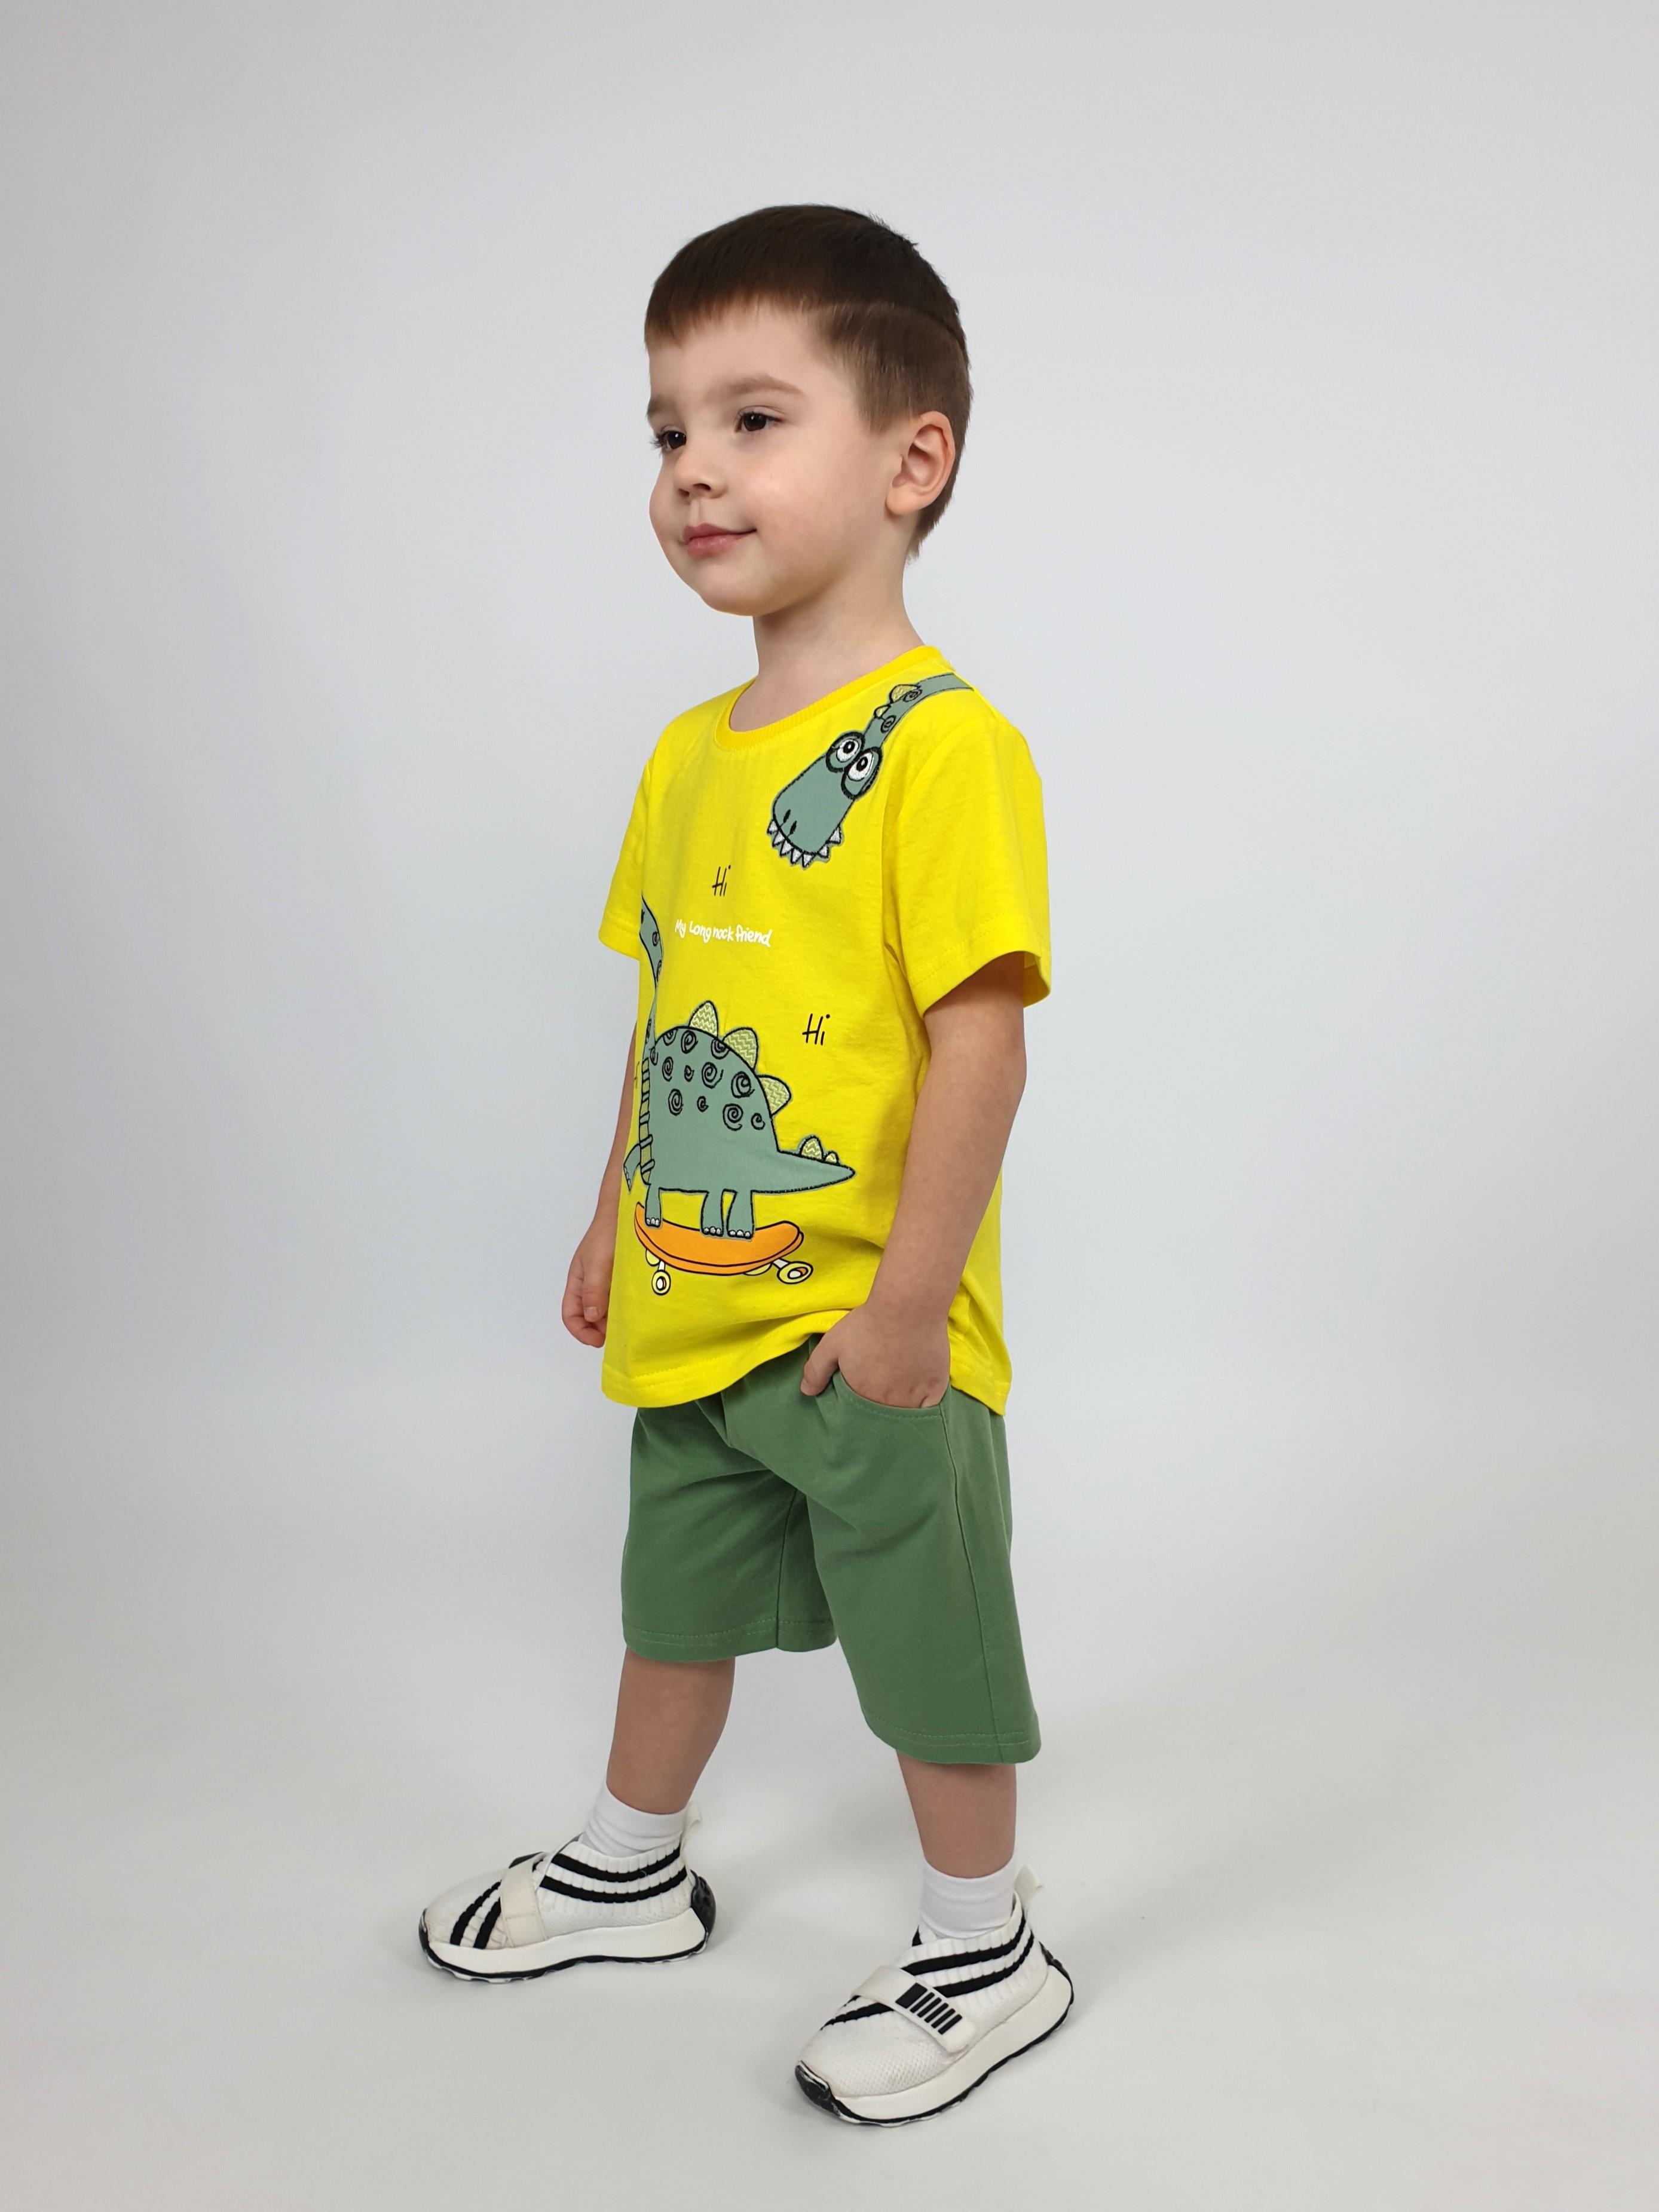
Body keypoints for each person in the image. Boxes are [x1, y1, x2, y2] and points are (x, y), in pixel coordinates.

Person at [418, 203, 1069, 2127]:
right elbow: (673, 1007)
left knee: (929, 1647)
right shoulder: (690, 754)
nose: (694, 468)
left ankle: (986, 1941)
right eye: (668, 429)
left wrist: (908, 1312)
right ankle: (634, 1867)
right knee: (671, 1602)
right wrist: (611, 1214)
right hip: (698, 1302)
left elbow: (982, 1044)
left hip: (870, 1328)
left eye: (753, 419)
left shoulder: (946, 749)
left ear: (911, 459)